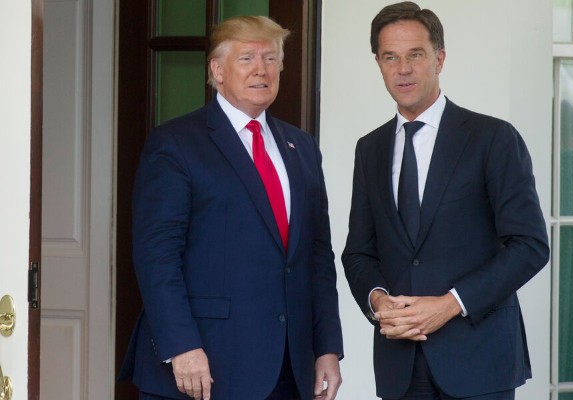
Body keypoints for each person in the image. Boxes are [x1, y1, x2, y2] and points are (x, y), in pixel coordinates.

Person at [119, 15, 343, 400]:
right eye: (246, 58)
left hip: (289, 369)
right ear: (217, 71)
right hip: (203, 365)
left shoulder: (301, 146)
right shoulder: (175, 144)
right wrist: (181, 346)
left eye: (270, 58)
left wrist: (327, 347)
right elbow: (157, 256)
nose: (261, 70)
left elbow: (318, 256)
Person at [342, 2, 549, 400]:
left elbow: (530, 245)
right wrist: (378, 301)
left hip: (480, 360)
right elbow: (359, 253)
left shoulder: (493, 138)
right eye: (390, 57)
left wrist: (451, 304)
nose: (403, 69)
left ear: (439, 59)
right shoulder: (370, 149)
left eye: (415, 55)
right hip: (400, 365)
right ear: (379, 64)